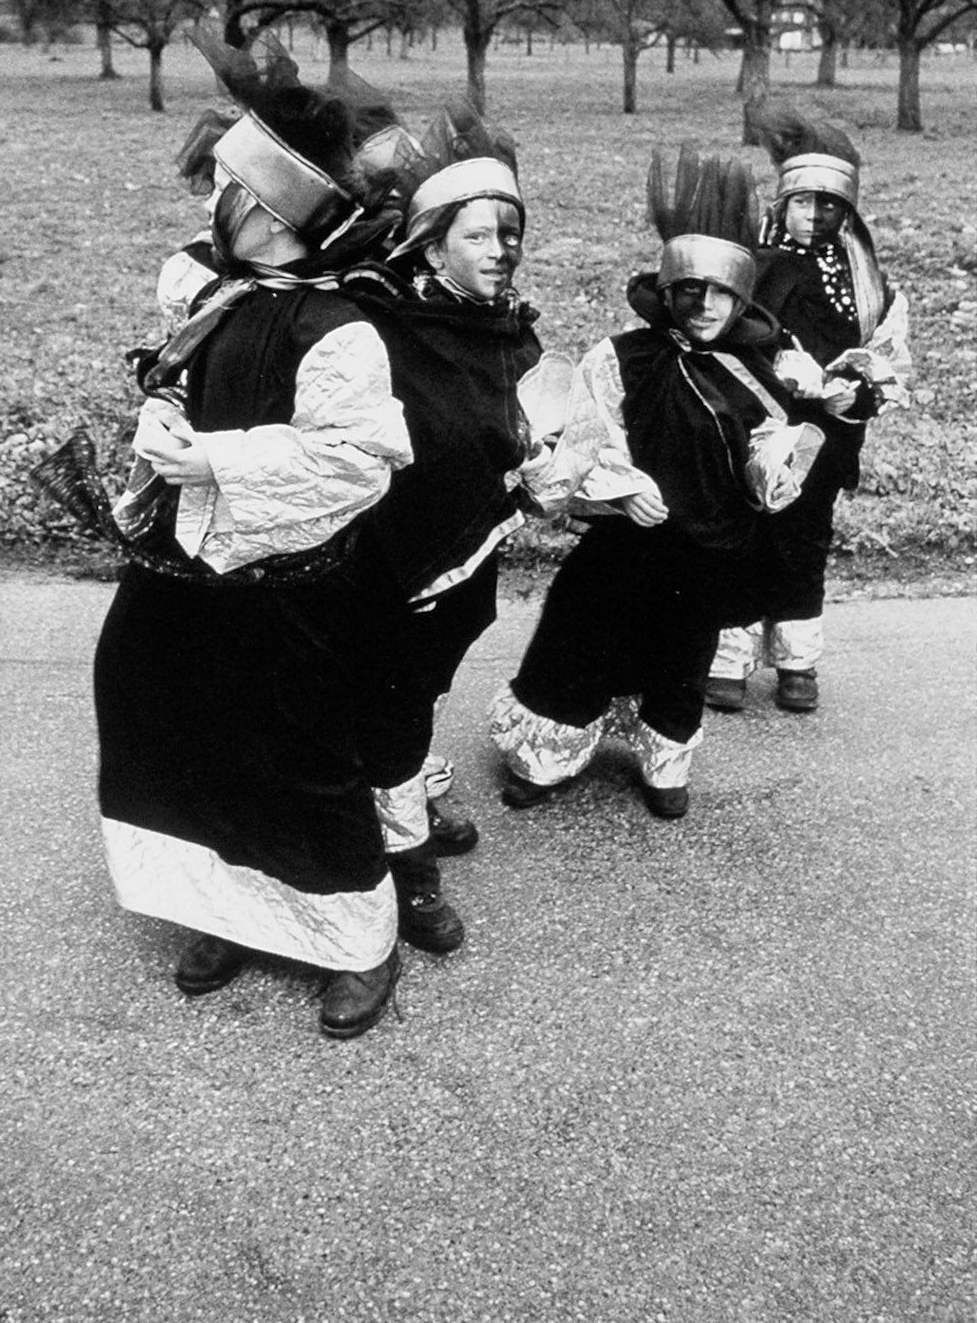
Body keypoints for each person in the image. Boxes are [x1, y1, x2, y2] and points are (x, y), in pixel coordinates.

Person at [92, 49, 414, 1041]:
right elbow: (179, 382)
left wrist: (218, 462)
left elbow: (355, 461)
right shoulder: (214, 290)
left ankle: (358, 940)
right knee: (181, 729)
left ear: (275, 211)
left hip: (289, 587)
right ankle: (222, 909)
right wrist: (161, 424)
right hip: (190, 573)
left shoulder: (340, 327)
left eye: (232, 184)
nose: (216, 194)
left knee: (298, 754)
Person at [489, 146, 824, 820]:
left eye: (721, 294)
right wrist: (618, 485)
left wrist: (773, 469)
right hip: (624, 543)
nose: (704, 307)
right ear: (666, 294)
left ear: (741, 299)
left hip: (707, 549)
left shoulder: (753, 366)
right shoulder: (620, 357)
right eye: (689, 293)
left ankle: (663, 752)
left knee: (681, 654)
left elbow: (764, 439)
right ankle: (549, 749)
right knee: (579, 638)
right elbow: (584, 435)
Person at [341, 104, 565, 954]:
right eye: (481, 236)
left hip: (469, 554)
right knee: (388, 699)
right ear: (431, 244)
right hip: (390, 557)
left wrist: (547, 470)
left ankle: (404, 788)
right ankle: (405, 870)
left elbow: (518, 427)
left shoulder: (507, 325)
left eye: (512, 234)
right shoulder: (383, 327)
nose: (502, 252)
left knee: (421, 689)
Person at [705, 106, 911, 715]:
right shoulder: (750, 263)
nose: (815, 216)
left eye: (830, 205)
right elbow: (720, 335)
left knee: (804, 538)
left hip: (827, 432)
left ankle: (796, 657)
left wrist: (859, 390)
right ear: (781, 203)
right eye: (803, 203)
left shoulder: (863, 278)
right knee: (747, 534)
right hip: (756, 422)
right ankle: (728, 657)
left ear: (847, 211)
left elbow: (885, 349)